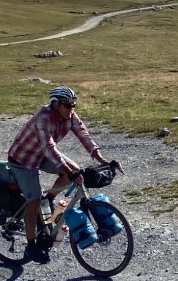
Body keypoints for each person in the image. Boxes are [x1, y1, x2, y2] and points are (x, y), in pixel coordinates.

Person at [8, 86, 108, 263]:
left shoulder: (69, 115)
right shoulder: (43, 118)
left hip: (43, 155)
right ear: (55, 105)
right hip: (23, 159)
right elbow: (49, 147)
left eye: (73, 105)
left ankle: (49, 200)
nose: (71, 109)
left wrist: (100, 157)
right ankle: (31, 246)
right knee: (34, 200)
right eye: (67, 105)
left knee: (73, 170)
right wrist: (69, 172)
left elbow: (83, 134)